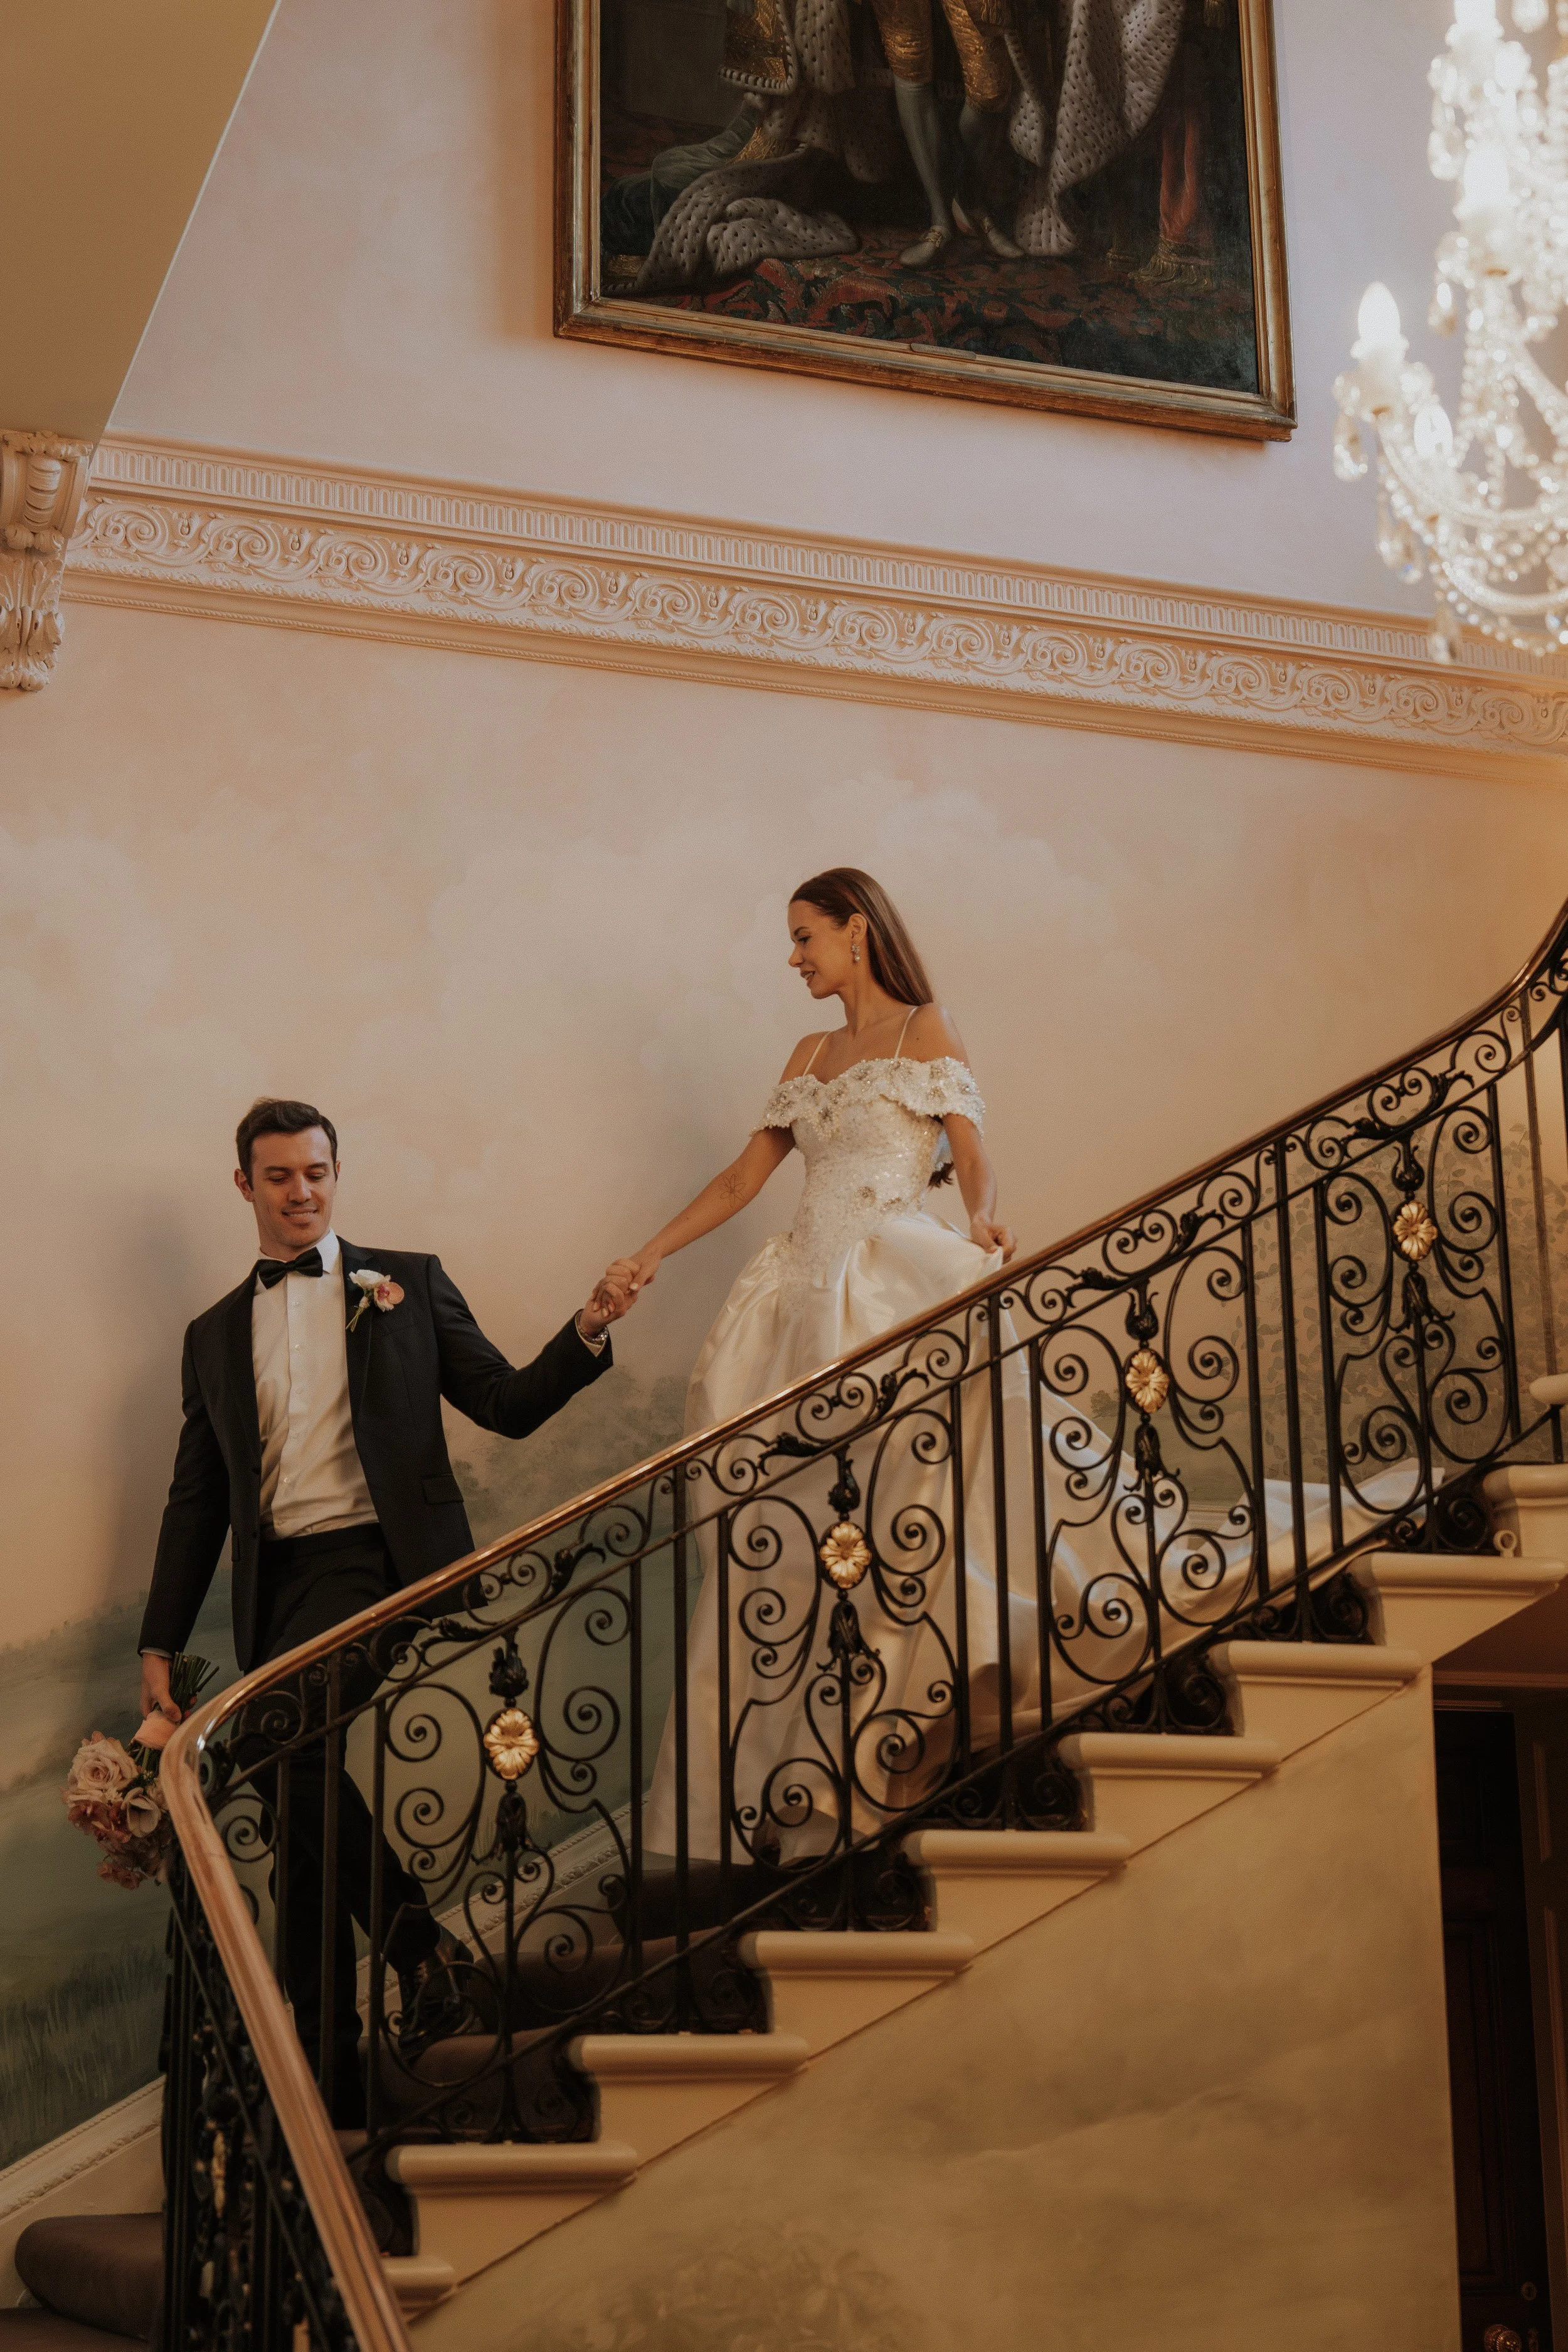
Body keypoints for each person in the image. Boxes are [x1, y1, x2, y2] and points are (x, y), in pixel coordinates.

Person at [137, 1097, 635, 2124]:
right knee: (291, 1782)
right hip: (279, 1585)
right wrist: (160, 1639)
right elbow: (196, 1499)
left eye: (318, 1171)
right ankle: (335, 2069)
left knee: (279, 1747)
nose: (302, 1191)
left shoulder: (405, 1282)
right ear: (245, 1186)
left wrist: (586, 1329)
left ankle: (419, 1952)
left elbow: (502, 1398)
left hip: (385, 1562)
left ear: (335, 1172)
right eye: (279, 1176)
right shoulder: (211, 1337)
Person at [600, 868, 1018, 1861]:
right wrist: (650, 1253)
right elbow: (747, 1176)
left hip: (883, 1281)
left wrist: (983, 1218)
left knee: (888, 1513)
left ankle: (890, 1738)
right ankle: (791, 1789)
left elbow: (973, 1147)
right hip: (795, 1299)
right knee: (784, 1538)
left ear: (855, 931)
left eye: (804, 937)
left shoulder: (928, 1029)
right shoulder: (809, 1051)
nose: (794, 958)